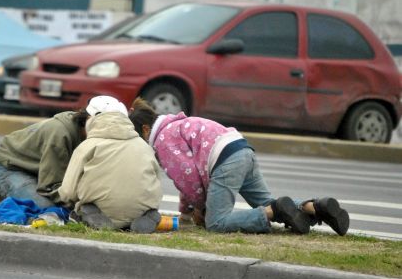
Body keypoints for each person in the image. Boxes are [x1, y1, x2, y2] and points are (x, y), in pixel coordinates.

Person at [128, 98, 350, 235]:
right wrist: (186, 210)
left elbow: (189, 180)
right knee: (267, 202)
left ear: (145, 130)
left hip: (224, 160)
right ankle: (315, 207)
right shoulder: (175, 125)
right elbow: (187, 176)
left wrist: (199, 208)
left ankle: (271, 213)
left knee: (216, 222)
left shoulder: (162, 140)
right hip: (241, 149)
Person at [59, 96, 162, 232]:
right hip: (139, 211)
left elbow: (68, 192)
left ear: (91, 119)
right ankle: (146, 216)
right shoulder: (145, 147)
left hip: (101, 209)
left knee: (85, 205)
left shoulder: (88, 146)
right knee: (142, 205)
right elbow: (157, 182)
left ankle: (93, 213)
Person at [0, 110, 88, 208]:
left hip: (39, 171)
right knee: (46, 207)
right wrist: (75, 205)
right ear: (88, 119)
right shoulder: (59, 135)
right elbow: (50, 186)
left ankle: (18, 195)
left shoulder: (93, 136)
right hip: (8, 168)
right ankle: (7, 198)